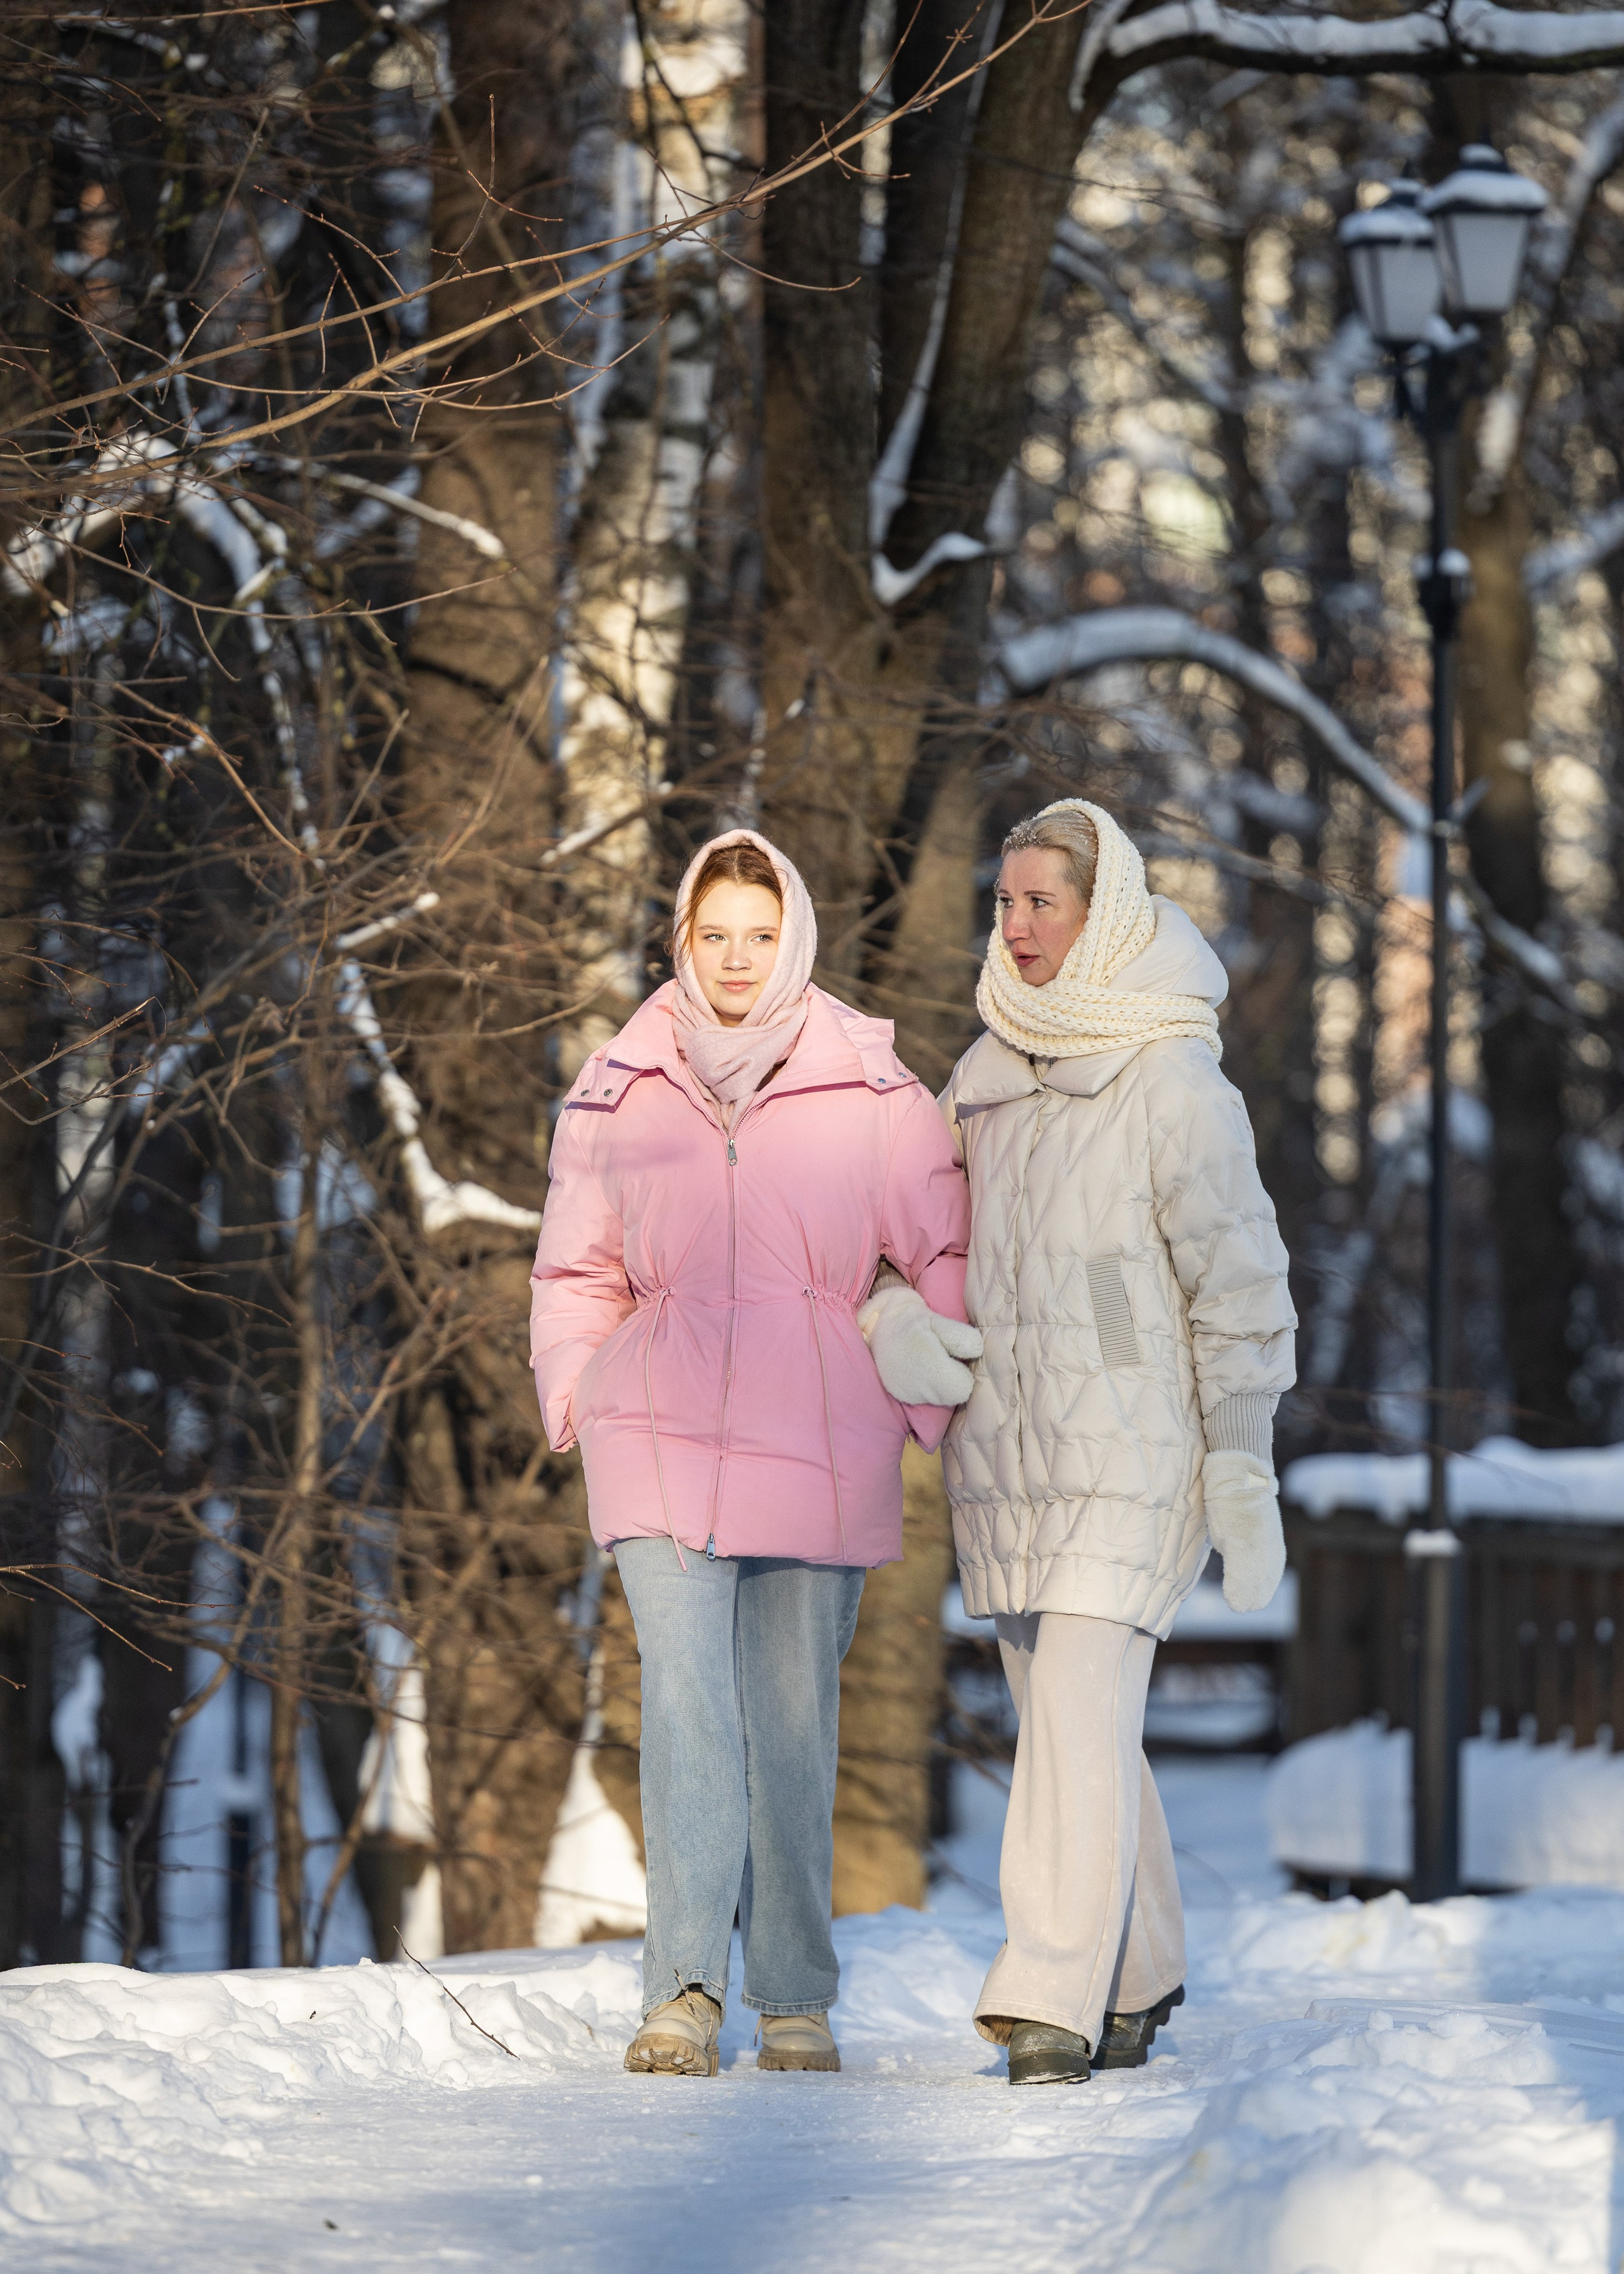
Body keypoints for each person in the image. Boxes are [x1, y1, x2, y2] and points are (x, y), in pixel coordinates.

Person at [529, 829, 977, 2079]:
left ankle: (792, 1993)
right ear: (683, 936)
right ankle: (679, 1990)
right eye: (713, 933)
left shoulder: (875, 1092)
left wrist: (926, 1388)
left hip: (815, 1436)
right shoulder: (618, 1085)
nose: (734, 958)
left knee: (790, 1722)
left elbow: (943, 1252)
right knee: (681, 1710)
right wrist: (575, 1388)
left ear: (795, 939)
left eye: (758, 934)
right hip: (656, 1430)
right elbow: (574, 1263)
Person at [941, 797, 1296, 2087]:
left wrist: (1239, 1455)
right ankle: (1138, 1967)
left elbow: (1240, 1284)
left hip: (1135, 1451)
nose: (1018, 924)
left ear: (1106, 919)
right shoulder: (980, 1076)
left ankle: (1049, 1992)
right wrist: (891, 1317)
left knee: (1076, 1714)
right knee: (1073, 1721)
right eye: (1006, 900)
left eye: (1045, 902)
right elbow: (907, 1237)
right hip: (1008, 1456)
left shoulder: (1169, 1079)